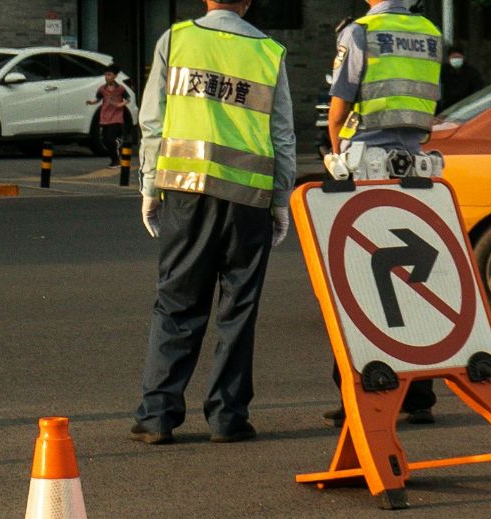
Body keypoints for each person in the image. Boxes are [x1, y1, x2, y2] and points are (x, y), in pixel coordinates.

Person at [132, 0, 295, 445]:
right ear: (247, 2)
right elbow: (282, 133)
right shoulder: (268, 51)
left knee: (177, 303)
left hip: (186, 193)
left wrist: (149, 187)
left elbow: (153, 121)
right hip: (248, 200)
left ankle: (158, 417)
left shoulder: (177, 39)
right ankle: (227, 417)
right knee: (238, 309)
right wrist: (280, 199)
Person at [321, 0, 443, 428]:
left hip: (366, 161)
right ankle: (420, 395)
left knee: (359, 280)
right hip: (416, 161)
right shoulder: (429, 31)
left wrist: (334, 145)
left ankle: (358, 393)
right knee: (413, 277)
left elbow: (341, 98)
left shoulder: (360, 31)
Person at [87, 66, 132, 167]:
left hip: (116, 116)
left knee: (110, 139)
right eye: (106, 75)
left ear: (115, 76)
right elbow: (98, 99)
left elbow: (128, 99)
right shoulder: (102, 89)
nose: (107, 77)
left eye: (109, 75)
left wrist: (120, 105)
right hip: (105, 116)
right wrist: (91, 102)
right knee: (105, 140)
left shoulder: (120, 88)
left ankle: (115, 160)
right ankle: (115, 155)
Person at [439, 44, 483, 108]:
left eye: (458, 57)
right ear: (449, 59)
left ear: (463, 58)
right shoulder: (443, 71)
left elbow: (478, 88)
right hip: (447, 107)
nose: (456, 59)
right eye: (454, 57)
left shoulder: (471, 72)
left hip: (466, 106)